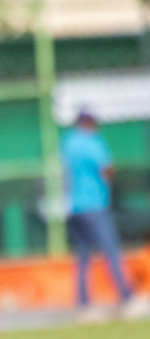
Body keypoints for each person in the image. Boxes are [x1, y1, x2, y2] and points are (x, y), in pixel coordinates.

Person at [61, 110, 147, 319]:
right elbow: (106, 168)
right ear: (90, 123)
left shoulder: (68, 143)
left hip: (73, 206)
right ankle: (126, 298)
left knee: (83, 256)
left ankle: (83, 304)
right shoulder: (92, 142)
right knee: (111, 251)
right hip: (94, 204)